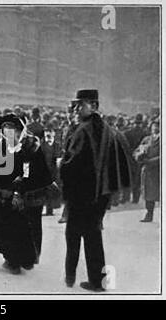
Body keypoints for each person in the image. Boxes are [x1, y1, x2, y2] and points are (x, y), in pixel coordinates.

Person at [60, 89, 131, 292]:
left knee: (72, 234)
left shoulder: (83, 130)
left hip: (81, 194)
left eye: (80, 105)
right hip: (101, 194)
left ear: (94, 105)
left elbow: (71, 164)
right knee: (93, 236)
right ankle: (98, 281)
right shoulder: (107, 129)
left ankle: (69, 277)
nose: (77, 108)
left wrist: (61, 165)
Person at [0, 114, 40, 274]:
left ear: (18, 131)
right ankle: (10, 258)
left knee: (18, 229)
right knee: (3, 229)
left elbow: (27, 173)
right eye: (4, 129)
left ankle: (18, 261)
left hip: (18, 194)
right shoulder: (0, 147)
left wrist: (18, 192)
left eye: (11, 129)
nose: (7, 133)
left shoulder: (26, 149)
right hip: (2, 194)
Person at [133, 119, 160, 222]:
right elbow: (136, 151)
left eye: (157, 126)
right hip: (148, 172)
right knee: (148, 194)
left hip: (158, 171)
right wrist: (138, 156)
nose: (155, 128)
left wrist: (150, 161)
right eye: (153, 126)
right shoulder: (147, 139)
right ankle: (149, 213)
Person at [124, 114, 148, 203]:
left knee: (128, 178)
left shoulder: (127, 133)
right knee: (137, 180)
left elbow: (124, 146)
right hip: (139, 159)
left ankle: (126, 198)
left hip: (129, 158)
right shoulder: (145, 133)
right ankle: (135, 199)